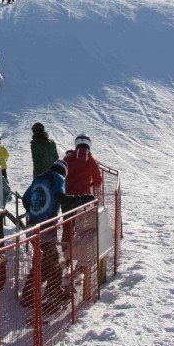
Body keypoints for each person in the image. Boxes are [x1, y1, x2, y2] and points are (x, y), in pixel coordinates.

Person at [20, 160, 67, 310]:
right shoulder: (58, 179)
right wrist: (69, 201)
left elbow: (25, 198)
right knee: (50, 262)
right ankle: (39, 296)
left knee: (44, 260)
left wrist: (34, 211)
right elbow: (60, 194)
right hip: (46, 228)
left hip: (33, 226)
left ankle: (40, 293)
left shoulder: (39, 178)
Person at [63, 133, 103, 197]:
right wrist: (94, 183)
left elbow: (62, 173)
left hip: (69, 196)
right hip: (85, 196)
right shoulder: (92, 161)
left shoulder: (67, 158)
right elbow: (98, 181)